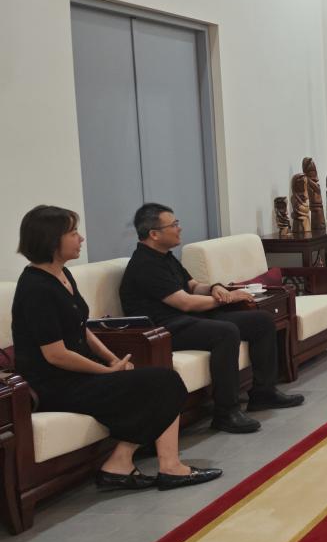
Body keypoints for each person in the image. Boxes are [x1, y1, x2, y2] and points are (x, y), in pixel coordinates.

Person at [10, 206, 221, 491]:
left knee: (162, 380)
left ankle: (122, 463)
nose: (81, 238)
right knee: (165, 381)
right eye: (73, 233)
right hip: (55, 383)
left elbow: (81, 327)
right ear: (51, 240)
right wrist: (106, 373)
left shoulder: (62, 275)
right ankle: (167, 467)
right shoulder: (35, 288)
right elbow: (55, 355)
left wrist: (112, 360)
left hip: (79, 375)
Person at [120, 204, 303, 434]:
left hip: (186, 318)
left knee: (261, 321)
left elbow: (193, 285)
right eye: (173, 225)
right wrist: (227, 299)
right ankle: (225, 412)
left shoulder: (165, 257)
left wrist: (215, 288)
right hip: (163, 329)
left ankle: (263, 393)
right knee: (225, 332)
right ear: (154, 234)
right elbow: (185, 302)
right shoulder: (145, 265)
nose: (179, 228)